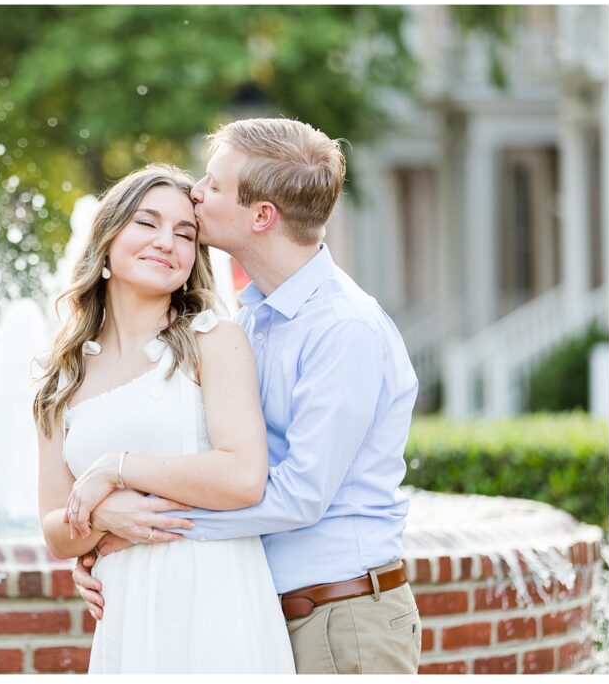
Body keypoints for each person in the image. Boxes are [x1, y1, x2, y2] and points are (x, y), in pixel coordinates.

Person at [71, 118, 423, 674]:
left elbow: (299, 495)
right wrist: (115, 538)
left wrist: (138, 530)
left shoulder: (344, 330)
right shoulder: (252, 317)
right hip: (257, 610)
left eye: (212, 184)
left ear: (262, 216)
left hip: (340, 618)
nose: (196, 192)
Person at [33, 164, 295, 673]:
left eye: (185, 233)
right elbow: (54, 529)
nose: (166, 242)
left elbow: (243, 477)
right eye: (146, 223)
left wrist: (119, 468)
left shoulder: (213, 341)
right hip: (126, 610)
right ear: (108, 238)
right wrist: (103, 517)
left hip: (214, 596)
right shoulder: (59, 376)